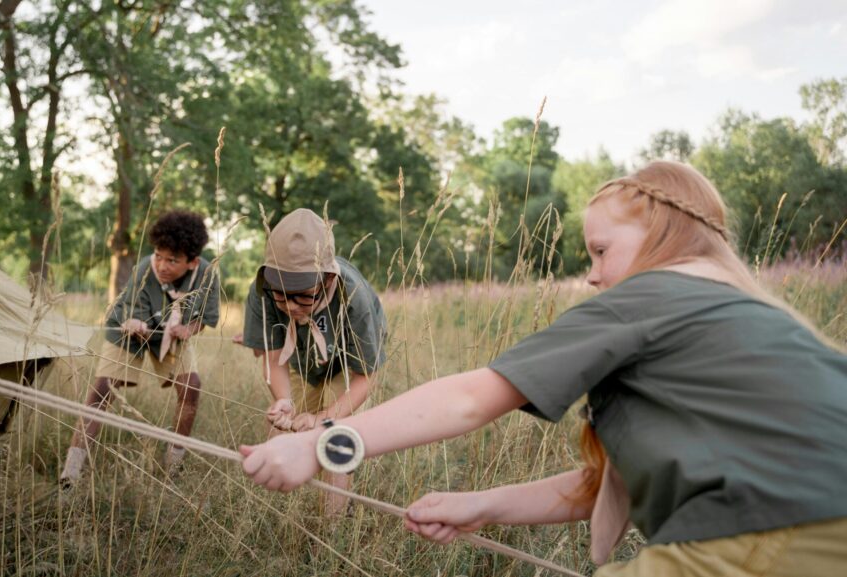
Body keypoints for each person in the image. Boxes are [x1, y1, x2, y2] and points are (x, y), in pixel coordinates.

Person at [239, 162, 847, 575]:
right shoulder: (747, 320)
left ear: (664, 234)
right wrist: (484, 505)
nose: (593, 275)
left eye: (601, 251)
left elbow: (470, 400)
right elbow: (597, 487)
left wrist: (322, 443)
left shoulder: (651, 295)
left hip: (765, 540)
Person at [241, 207, 388, 513]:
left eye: (303, 295)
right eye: (281, 295)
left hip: (347, 368)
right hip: (299, 359)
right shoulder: (262, 292)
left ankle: (331, 529)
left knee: (334, 437)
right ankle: (279, 521)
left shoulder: (354, 296)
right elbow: (271, 358)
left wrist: (325, 417)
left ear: (328, 280)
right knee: (282, 429)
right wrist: (284, 401)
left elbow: (365, 378)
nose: (291, 306)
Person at [61, 209, 219, 484]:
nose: (162, 265)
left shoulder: (206, 275)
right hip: (131, 329)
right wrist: (134, 323)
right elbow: (130, 306)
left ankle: (173, 466)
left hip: (172, 335)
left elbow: (205, 319)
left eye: (173, 260)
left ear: (192, 262)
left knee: (191, 387)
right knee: (101, 390)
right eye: (159, 255)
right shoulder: (146, 266)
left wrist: (189, 328)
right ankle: (71, 471)